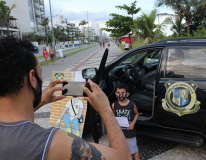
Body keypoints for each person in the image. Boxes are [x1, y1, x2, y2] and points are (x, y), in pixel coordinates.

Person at [0, 37, 131, 160]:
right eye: (41, 73)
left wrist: (40, 102)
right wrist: (106, 110)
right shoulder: (53, 143)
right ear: (32, 78)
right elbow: (123, 157)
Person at [112, 83, 140, 160]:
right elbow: (114, 116)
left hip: (130, 132)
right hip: (120, 132)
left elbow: (137, 114)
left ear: (127, 94)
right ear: (115, 94)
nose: (120, 94)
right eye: (118, 93)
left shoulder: (132, 104)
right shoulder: (114, 105)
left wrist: (133, 123)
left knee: (134, 149)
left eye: (122, 93)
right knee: (122, 149)